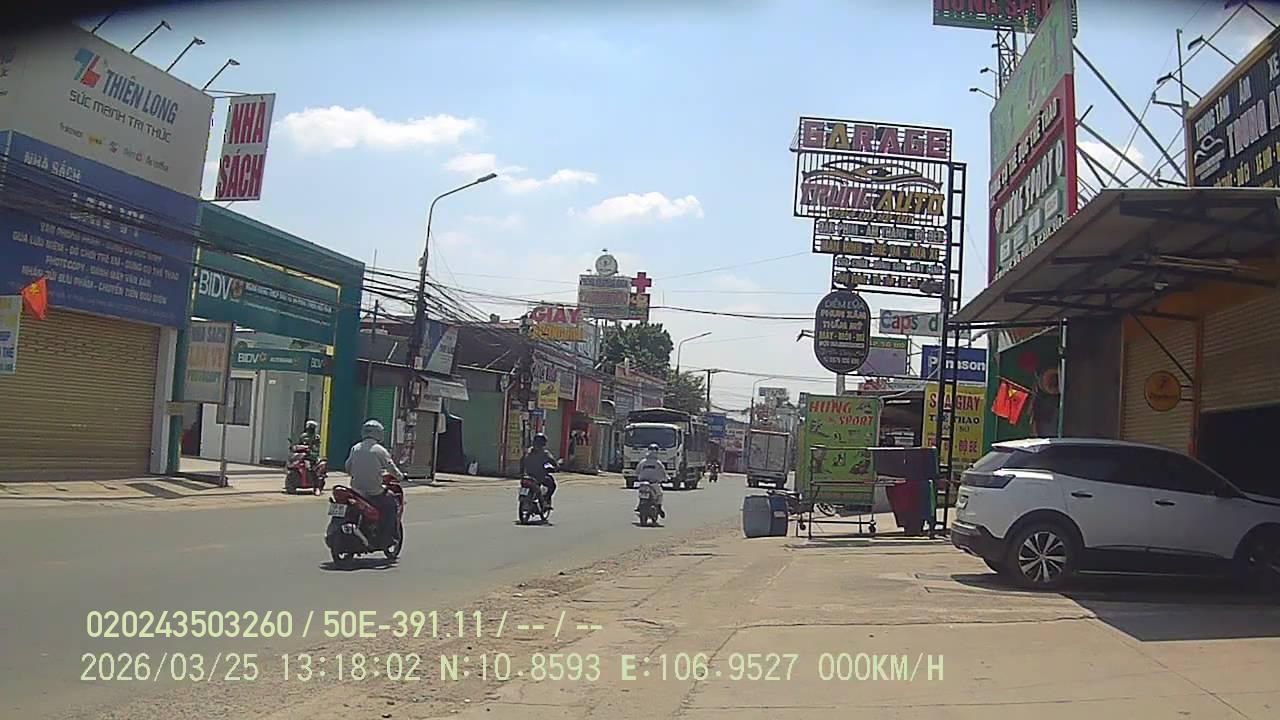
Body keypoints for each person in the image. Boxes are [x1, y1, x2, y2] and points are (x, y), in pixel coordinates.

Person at [345, 419, 404, 545]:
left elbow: (348, 467)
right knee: (392, 505)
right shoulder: (379, 450)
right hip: (374, 491)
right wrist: (400, 477)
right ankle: (387, 538)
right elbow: (391, 468)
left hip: (356, 491)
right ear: (378, 433)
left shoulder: (355, 448)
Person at [521, 433, 558, 509]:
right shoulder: (545, 453)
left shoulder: (528, 451)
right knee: (552, 485)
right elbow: (553, 462)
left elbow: (522, 462)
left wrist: (522, 473)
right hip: (539, 477)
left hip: (527, 476)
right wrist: (557, 467)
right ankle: (545, 502)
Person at [634, 443, 667, 517]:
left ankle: (639, 505)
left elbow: (637, 471)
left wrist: (638, 477)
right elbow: (663, 472)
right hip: (653, 483)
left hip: (643, 482)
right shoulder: (658, 463)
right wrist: (665, 478)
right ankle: (659, 507)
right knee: (660, 495)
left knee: (641, 494)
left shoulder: (643, 462)